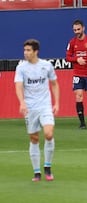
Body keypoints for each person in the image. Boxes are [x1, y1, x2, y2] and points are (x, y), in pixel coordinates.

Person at [14, 39, 60, 182]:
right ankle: (37, 172)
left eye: (28, 50)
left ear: (35, 51)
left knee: (48, 133)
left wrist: (56, 103)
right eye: (25, 50)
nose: (25, 53)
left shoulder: (46, 66)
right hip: (30, 108)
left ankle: (47, 167)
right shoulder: (21, 68)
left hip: (45, 106)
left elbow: (54, 84)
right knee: (34, 139)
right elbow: (19, 86)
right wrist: (22, 103)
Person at [66, 19, 87, 129]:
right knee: (79, 96)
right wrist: (77, 59)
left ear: (83, 28)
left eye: (78, 29)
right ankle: (82, 123)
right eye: (74, 30)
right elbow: (67, 57)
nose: (76, 31)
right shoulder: (72, 42)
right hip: (78, 74)